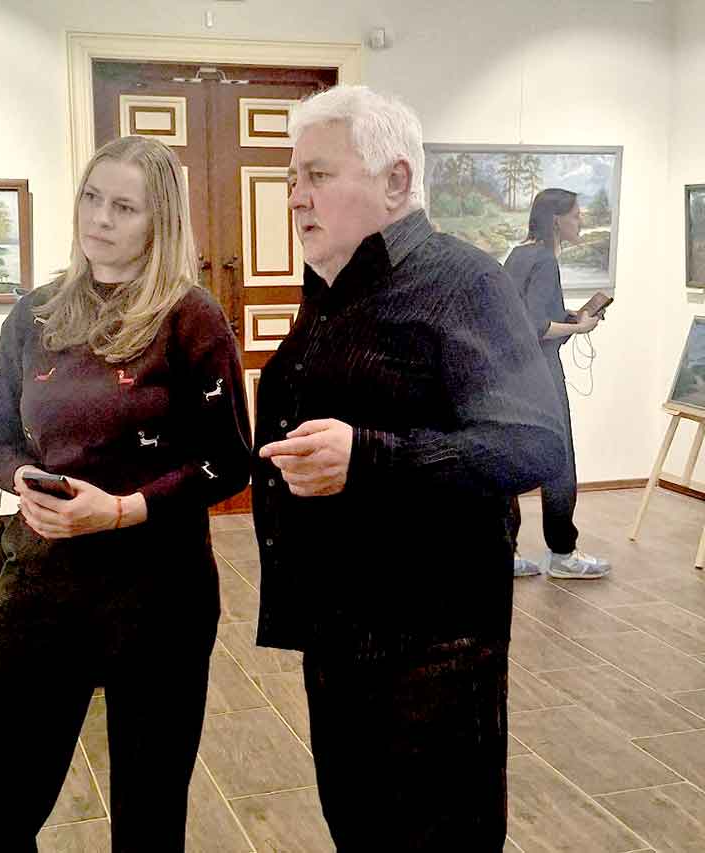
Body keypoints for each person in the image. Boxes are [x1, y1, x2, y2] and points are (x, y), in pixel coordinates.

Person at [252, 85, 566, 851]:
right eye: (293, 179)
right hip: (338, 636)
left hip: (432, 653)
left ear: (396, 181)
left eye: (318, 175)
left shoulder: (466, 281)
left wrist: (369, 455)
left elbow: (534, 444)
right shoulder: (331, 289)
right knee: (358, 829)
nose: (296, 197)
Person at [0, 135, 251, 852]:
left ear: (158, 221)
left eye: (124, 206)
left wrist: (120, 510)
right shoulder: (35, 314)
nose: (100, 218)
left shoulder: (191, 318)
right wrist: (21, 479)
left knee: (149, 812)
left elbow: (229, 460)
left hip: (159, 593)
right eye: (92, 197)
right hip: (42, 580)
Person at [504, 189, 611, 579]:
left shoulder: (519, 254)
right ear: (556, 220)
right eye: (576, 215)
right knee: (560, 461)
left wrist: (567, 315)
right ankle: (563, 553)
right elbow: (536, 326)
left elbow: (521, 314)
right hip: (542, 374)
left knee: (508, 459)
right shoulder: (546, 260)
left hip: (511, 374)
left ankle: (504, 551)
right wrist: (579, 327)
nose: (581, 221)